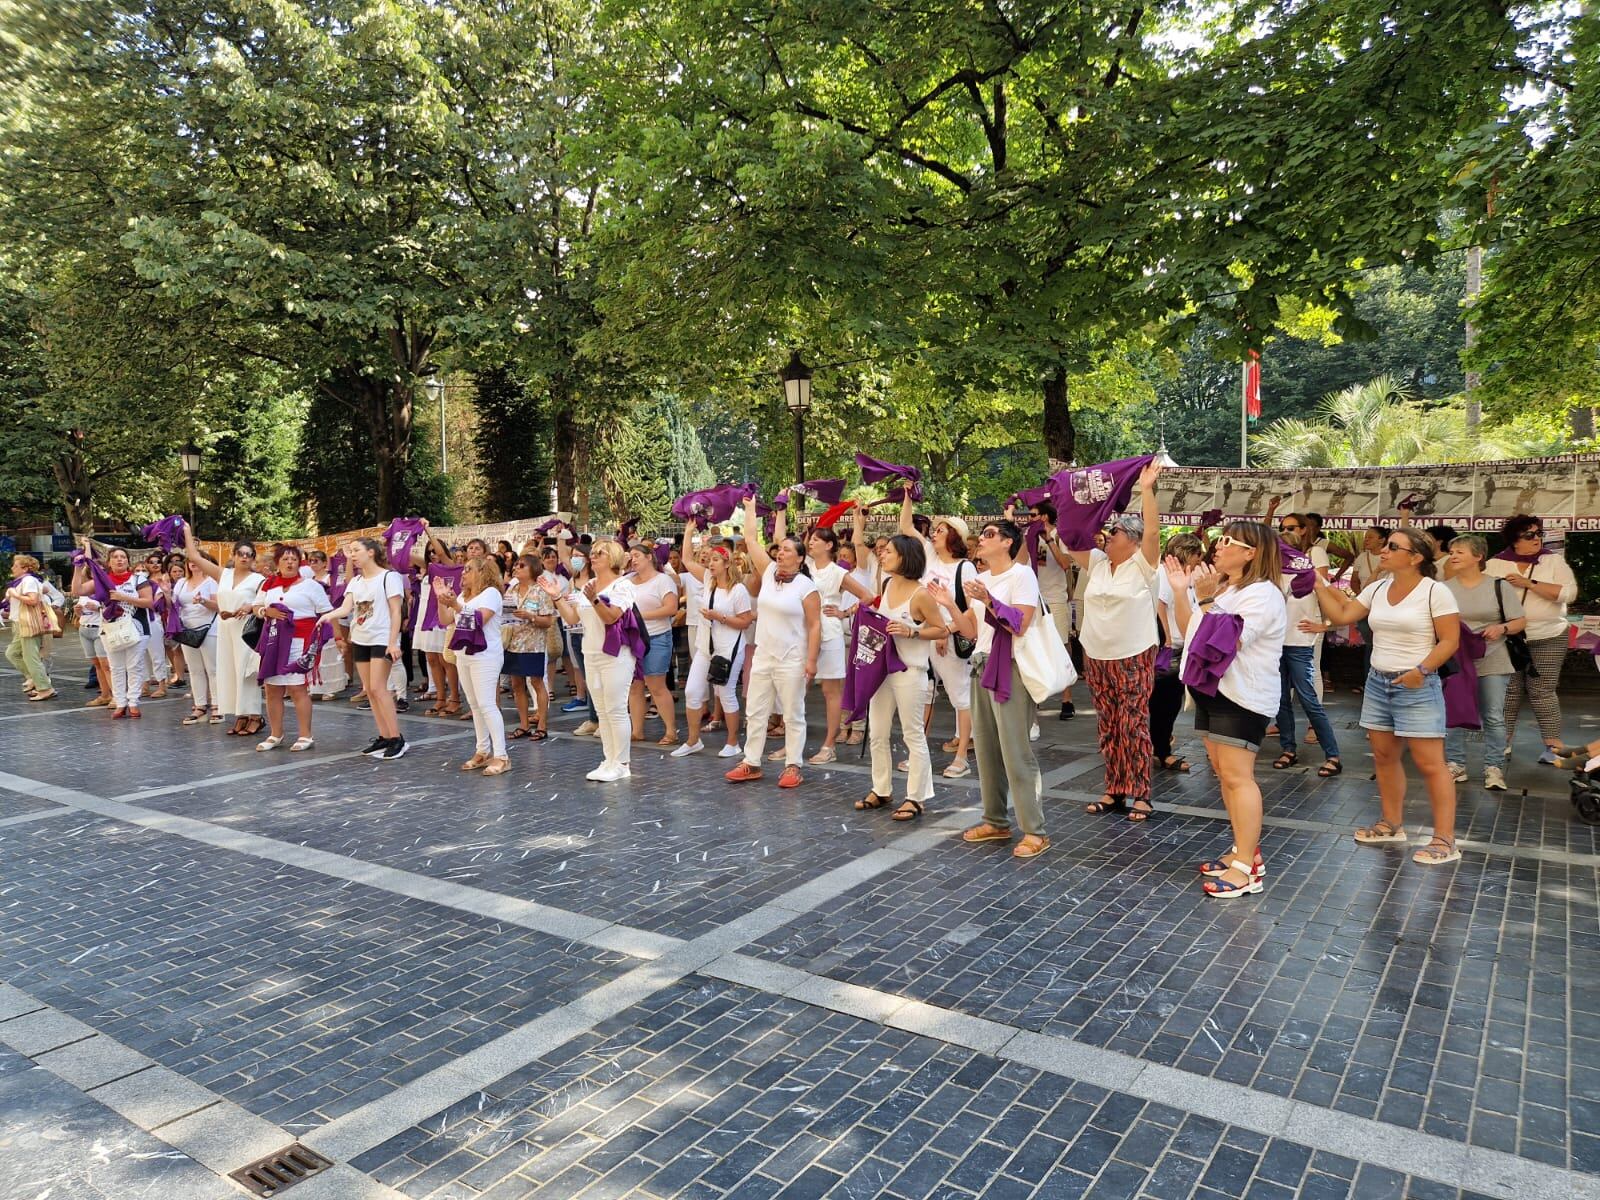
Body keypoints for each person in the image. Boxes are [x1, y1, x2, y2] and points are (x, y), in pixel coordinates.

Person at [1310, 527, 1461, 865]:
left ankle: (1445, 839)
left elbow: (1450, 641)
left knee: (1431, 764)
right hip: (1379, 682)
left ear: (1416, 557)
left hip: (1417, 684)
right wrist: (1318, 585)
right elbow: (1343, 616)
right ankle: (1392, 824)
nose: (1384, 550)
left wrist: (1421, 671)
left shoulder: (1435, 592)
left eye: (1394, 546)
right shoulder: (1378, 588)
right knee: (1383, 757)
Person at [1165, 523, 1288, 897]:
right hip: (1212, 690)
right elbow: (1193, 635)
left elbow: (1225, 640)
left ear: (1251, 552)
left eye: (1229, 542)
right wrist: (1182, 595)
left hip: (1242, 696)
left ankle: (1245, 870)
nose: (1218, 546)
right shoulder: (1227, 588)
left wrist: (1204, 600)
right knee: (1223, 773)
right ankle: (1244, 852)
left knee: (1238, 777)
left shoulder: (1262, 595)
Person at [932, 519, 1048, 859]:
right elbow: (970, 630)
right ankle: (995, 820)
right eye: (981, 534)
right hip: (981, 664)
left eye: (990, 534)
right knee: (985, 749)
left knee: (1016, 751)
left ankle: (1034, 830)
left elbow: (1021, 623)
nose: (981, 539)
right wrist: (950, 605)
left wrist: (991, 600)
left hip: (1009, 667)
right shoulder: (980, 579)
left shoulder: (1021, 575)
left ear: (1008, 543)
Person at [1073, 461, 1165, 821]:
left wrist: (1146, 490)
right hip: (1096, 654)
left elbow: (1155, 533)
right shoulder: (1096, 563)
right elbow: (1072, 537)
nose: (1108, 536)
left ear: (1133, 539)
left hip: (1133, 654)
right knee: (1108, 724)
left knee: (1133, 724)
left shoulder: (1143, 565)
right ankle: (1114, 788)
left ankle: (1141, 792)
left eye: (1115, 531)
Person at [726, 495, 820, 788]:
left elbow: (815, 624)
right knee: (755, 710)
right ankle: (751, 762)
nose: (780, 554)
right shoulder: (768, 574)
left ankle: (793, 765)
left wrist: (811, 661)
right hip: (765, 655)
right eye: (779, 549)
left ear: (800, 558)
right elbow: (752, 540)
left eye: (788, 550)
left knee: (793, 712)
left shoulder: (807, 586)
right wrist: (751, 509)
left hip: (792, 656)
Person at [856, 535, 946, 821]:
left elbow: (941, 629)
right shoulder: (887, 583)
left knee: (912, 733)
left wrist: (912, 631)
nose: (882, 555)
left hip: (911, 670)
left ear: (905, 557)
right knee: (878, 732)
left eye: (889, 552)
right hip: (883, 670)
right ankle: (881, 788)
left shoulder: (921, 594)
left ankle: (915, 797)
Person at [891, 500, 976, 776]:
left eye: (941, 529)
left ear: (954, 535)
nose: (934, 533)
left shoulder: (965, 568)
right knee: (925, 695)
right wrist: (907, 495)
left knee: (960, 696)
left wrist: (946, 631)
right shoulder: (928, 556)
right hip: (925, 637)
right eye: (935, 529)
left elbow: (971, 611)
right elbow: (906, 526)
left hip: (950, 642)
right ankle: (919, 753)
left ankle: (962, 756)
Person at [1488, 515, 1579, 764]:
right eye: (1530, 535)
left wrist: (1530, 583)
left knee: (1542, 690)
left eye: (1540, 534)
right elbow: (1482, 595)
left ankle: (1553, 746)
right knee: (1509, 690)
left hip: (1549, 634)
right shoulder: (1495, 564)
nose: (1537, 539)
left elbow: (1569, 594)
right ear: (1514, 540)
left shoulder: (1553, 560)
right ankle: (1501, 742)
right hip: (1509, 637)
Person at [543, 539, 636, 781]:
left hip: (616, 656)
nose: (592, 556)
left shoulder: (622, 586)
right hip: (591, 653)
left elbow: (611, 618)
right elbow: (573, 619)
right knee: (603, 711)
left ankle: (622, 763)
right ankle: (609, 760)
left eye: (599, 553)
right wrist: (557, 598)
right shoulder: (590, 584)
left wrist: (595, 599)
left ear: (613, 558)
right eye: (592, 553)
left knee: (616, 710)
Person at [786, 516, 871, 765]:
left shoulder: (838, 572)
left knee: (830, 691)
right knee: (794, 686)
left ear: (829, 545)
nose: (810, 543)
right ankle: (792, 744)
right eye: (810, 539)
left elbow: (867, 596)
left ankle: (829, 744)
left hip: (830, 633)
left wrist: (845, 612)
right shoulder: (805, 567)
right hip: (802, 632)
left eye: (815, 540)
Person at [1444, 534, 1525, 791]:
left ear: (1478, 557)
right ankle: (1456, 764)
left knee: (1492, 714)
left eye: (1459, 551)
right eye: (1451, 551)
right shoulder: (1444, 588)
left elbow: (1520, 622)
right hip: (1457, 659)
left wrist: (1501, 628)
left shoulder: (1499, 586)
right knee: (1454, 712)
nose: (1453, 556)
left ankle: (1494, 767)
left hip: (1493, 657)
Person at [319, 536, 407, 759]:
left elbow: (396, 611)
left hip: (381, 638)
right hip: (361, 638)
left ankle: (397, 738)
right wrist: (328, 615)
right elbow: (346, 608)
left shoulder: (389, 577)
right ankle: (384, 736)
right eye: (350, 551)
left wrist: (392, 642)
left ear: (371, 552)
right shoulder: (356, 582)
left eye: (356, 550)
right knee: (369, 690)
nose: (352, 554)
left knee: (378, 688)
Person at [1273, 515, 1343, 776]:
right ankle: (1288, 749)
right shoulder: (1269, 576)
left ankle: (1333, 755)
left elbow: (1341, 603)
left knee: (1308, 699)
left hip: (1300, 644)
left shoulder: (1309, 574)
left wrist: (1324, 625)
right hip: (1275, 646)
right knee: (1280, 700)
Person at [182, 527, 264, 737]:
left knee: (246, 672)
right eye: (241, 553)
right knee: (229, 671)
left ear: (253, 558)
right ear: (234, 556)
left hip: (246, 630)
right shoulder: (223, 574)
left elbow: (262, 603)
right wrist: (187, 531)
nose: (245, 557)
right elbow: (193, 556)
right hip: (225, 627)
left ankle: (255, 715)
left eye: (249, 554)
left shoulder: (258, 579)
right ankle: (240, 715)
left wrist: (248, 607)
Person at [674, 541, 753, 758]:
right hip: (706, 647)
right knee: (691, 691)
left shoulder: (738, 590)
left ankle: (733, 742)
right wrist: (689, 531)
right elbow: (688, 560)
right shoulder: (709, 581)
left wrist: (721, 617)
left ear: (727, 563)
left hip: (728, 649)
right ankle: (692, 740)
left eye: (715, 560)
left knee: (726, 693)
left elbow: (745, 621)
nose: (710, 564)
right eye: (709, 560)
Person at [433, 556, 510, 775]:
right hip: (464, 655)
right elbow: (445, 620)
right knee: (475, 704)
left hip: (485, 655)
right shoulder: (463, 596)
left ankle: (502, 755)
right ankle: (482, 750)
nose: (463, 573)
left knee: (487, 704)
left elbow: (478, 620)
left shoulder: (491, 594)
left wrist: (454, 604)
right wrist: (441, 599)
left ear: (482, 572)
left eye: (468, 569)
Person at [251, 544, 330, 752]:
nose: (289, 562)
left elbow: (326, 612)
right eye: (285, 559)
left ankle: (305, 734)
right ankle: (276, 734)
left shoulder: (311, 586)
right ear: (277, 562)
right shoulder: (269, 584)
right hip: (274, 640)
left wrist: (335, 638)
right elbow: (256, 606)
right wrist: (265, 611)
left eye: (294, 559)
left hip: (299, 641)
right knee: (272, 688)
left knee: (297, 688)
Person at [77, 544, 156, 719]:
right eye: (115, 557)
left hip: (136, 628)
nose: (119, 559)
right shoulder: (102, 580)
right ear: (109, 562)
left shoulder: (138, 580)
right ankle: (120, 703)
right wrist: (78, 568)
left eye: (123, 557)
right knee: (116, 667)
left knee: (134, 666)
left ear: (128, 561)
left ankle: (133, 702)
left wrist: (124, 597)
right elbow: (78, 590)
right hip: (110, 629)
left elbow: (149, 602)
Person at [1151, 533, 1205, 772]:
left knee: (1170, 702)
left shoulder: (1186, 575)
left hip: (1183, 646)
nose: (1199, 559)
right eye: (1197, 554)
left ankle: (1159, 746)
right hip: (1169, 648)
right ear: (1188, 553)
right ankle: (1161, 750)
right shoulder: (1164, 573)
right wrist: (1167, 636)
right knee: (1164, 702)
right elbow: (1159, 603)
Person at [626, 542, 680, 747]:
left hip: (657, 636)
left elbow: (671, 608)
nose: (633, 558)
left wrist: (640, 616)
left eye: (637, 555)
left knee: (656, 685)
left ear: (649, 557)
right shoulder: (628, 580)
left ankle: (671, 730)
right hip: (633, 638)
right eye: (631, 555)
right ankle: (637, 730)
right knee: (635, 685)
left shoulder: (663, 580)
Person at [503, 554, 554, 741]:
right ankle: (524, 725)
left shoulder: (541, 591)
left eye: (521, 565)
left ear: (532, 569)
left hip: (533, 645)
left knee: (537, 682)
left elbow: (548, 621)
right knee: (516, 685)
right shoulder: (511, 590)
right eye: (516, 564)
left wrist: (530, 616)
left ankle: (542, 725)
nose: (516, 567)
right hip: (513, 643)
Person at [417, 528, 464, 718]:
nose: (433, 555)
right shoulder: (427, 569)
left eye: (435, 551)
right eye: (429, 552)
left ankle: (455, 699)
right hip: (427, 615)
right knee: (431, 659)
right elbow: (407, 558)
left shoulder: (451, 566)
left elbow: (443, 554)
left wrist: (427, 531)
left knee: (446, 659)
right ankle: (440, 697)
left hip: (444, 614)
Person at [172, 550, 221, 725]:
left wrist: (203, 601)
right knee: (194, 669)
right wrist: (163, 593)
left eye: (196, 560)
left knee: (213, 669)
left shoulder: (211, 582)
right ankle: (199, 705)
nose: (192, 563)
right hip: (188, 629)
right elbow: (173, 604)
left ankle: (217, 705)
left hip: (209, 629)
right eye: (190, 561)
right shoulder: (180, 583)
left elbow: (218, 606)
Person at [6, 555, 55, 700]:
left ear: (25, 568)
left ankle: (45, 688)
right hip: (19, 622)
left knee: (30, 657)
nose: (12, 568)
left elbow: (33, 600)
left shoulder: (28, 581)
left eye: (15, 566)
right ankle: (35, 678)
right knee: (12, 653)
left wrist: (15, 594)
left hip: (27, 623)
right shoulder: (23, 581)